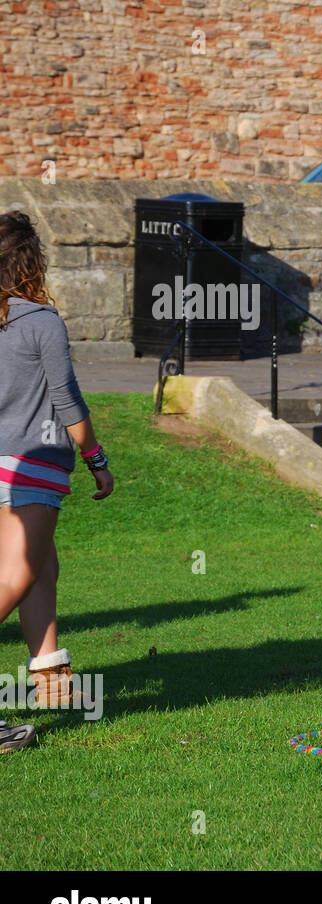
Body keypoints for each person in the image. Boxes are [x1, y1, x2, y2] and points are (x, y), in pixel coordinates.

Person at [0, 211, 114, 753]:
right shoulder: (40, 321)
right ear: (30, 263)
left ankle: (50, 682)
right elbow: (67, 402)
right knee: (17, 574)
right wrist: (96, 458)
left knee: (43, 565)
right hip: (33, 463)